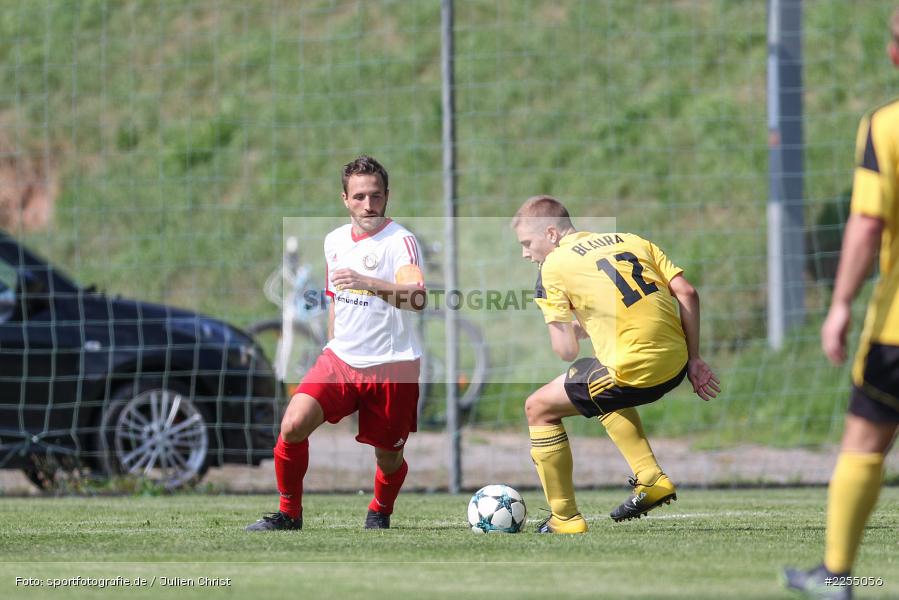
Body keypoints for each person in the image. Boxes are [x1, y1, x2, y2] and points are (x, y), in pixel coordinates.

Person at [511, 196, 719, 533]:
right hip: (677, 360)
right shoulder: (631, 240)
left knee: (538, 407)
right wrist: (694, 358)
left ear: (550, 233)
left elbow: (563, 349)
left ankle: (564, 518)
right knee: (590, 379)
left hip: (634, 370)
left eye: (526, 243)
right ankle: (650, 478)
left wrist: (552, 310)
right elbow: (687, 292)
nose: (525, 253)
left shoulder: (553, 266)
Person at [783, 10, 899, 598]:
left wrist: (840, 303)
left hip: (897, 328)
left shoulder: (886, 126)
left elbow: (867, 222)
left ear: (895, 54)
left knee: (865, 442)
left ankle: (838, 576)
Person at [247, 155, 426, 531]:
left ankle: (379, 510)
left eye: (375, 196)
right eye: (359, 196)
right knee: (293, 424)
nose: (368, 205)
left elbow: (417, 298)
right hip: (340, 360)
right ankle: (288, 515)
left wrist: (367, 281)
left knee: (388, 457)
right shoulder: (334, 241)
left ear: (387, 196)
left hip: (393, 366)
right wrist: (332, 344)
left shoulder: (401, 241)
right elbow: (334, 298)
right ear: (344, 199)